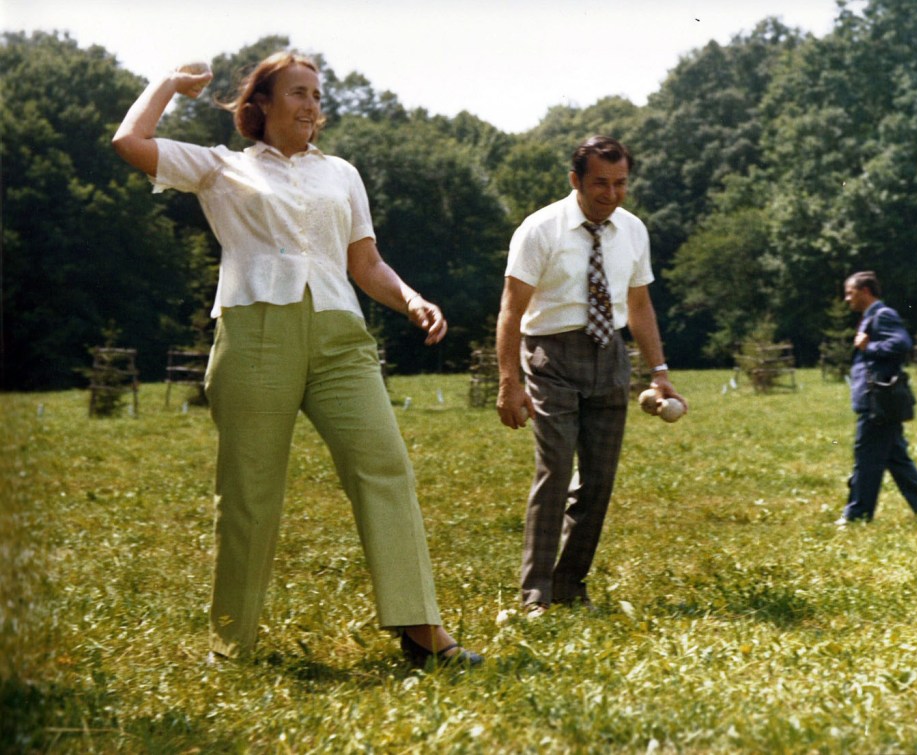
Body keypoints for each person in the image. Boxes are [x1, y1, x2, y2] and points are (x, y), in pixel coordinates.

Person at [112, 52, 481, 667]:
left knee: (385, 467)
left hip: (340, 337)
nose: (312, 104)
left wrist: (410, 298)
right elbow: (131, 140)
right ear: (260, 106)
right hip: (255, 334)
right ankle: (232, 646)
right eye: (298, 93)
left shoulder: (341, 173)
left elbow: (364, 263)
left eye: (317, 93)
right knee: (250, 493)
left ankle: (421, 631)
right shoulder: (221, 168)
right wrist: (171, 85)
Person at [495, 135, 687, 618]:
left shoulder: (633, 231)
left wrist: (659, 373)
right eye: (600, 183)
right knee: (556, 472)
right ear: (575, 180)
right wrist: (508, 381)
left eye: (621, 183)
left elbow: (640, 305)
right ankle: (535, 594)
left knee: (598, 480)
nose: (611, 193)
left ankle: (568, 584)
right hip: (551, 358)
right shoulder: (540, 230)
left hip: (610, 358)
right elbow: (511, 308)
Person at [837, 271, 917, 525]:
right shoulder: (870, 317)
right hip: (878, 401)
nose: (846, 299)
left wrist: (869, 347)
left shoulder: (882, 315)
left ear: (866, 291)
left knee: (866, 459)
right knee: (896, 460)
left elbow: (902, 344)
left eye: (850, 293)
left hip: (878, 401)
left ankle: (857, 515)